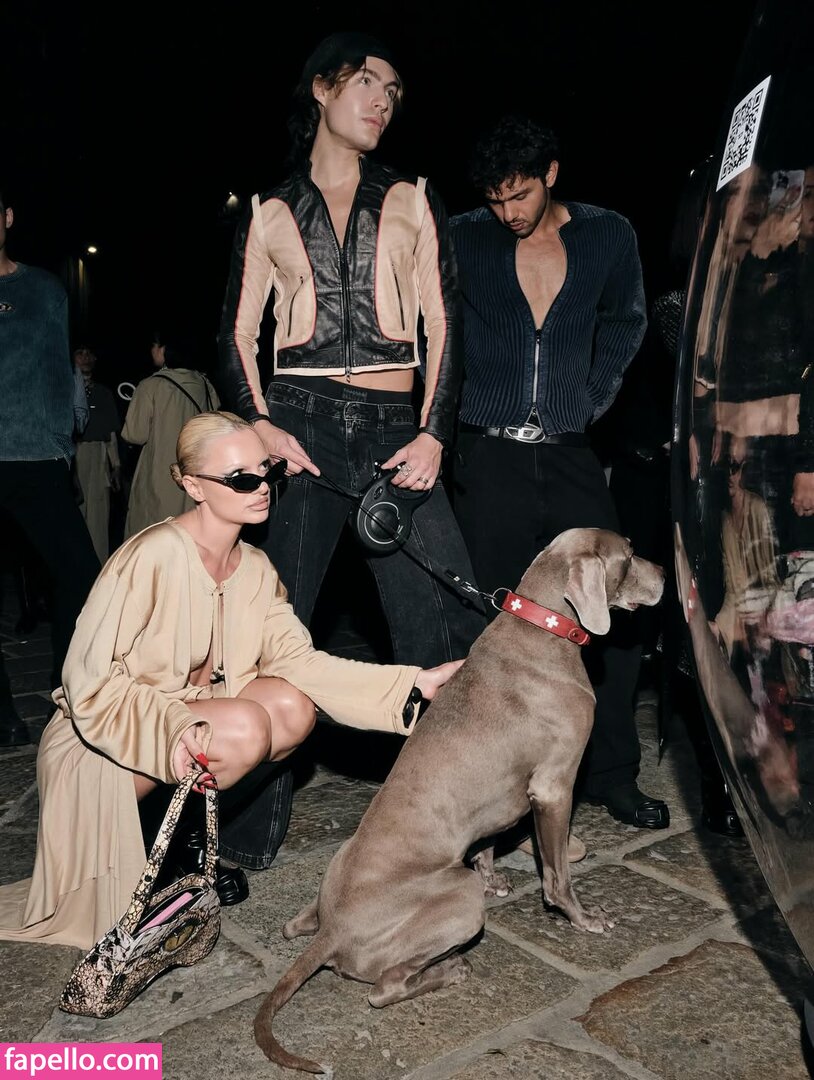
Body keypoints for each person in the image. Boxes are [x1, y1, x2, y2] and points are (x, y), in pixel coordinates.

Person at [0, 410, 461, 948]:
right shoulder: (151, 555)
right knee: (244, 725)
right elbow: (90, 683)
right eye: (241, 479)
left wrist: (413, 684)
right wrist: (172, 727)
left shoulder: (256, 568)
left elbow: (301, 663)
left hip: (197, 720)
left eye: (268, 472)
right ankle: (150, 854)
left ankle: (178, 847)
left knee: (292, 709)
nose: (262, 487)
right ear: (193, 485)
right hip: (105, 735)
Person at [217, 31, 486, 868]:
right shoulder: (266, 209)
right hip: (298, 425)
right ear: (323, 90)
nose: (382, 100)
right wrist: (260, 423)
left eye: (394, 90)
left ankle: (461, 834)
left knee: (444, 625)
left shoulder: (413, 195)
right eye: (367, 82)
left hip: (393, 429)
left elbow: (444, 321)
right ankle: (242, 840)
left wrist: (435, 432)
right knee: (268, 630)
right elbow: (235, 334)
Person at [449, 114, 669, 830]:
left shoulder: (608, 233)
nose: (507, 212)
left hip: (573, 451)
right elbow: (437, 330)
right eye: (494, 199)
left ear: (550, 174)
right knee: (489, 615)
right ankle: (492, 778)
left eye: (519, 194)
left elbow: (628, 320)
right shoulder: (463, 236)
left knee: (613, 611)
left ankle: (613, 773)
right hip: (489, 452)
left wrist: (592, 400)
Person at [0, 184, 100, 731]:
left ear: (8, 217)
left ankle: (68, 698)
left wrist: (64, 449)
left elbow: (58, 373)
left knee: (81, 575)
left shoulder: (43, 289)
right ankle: (3, 715)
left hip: (36, 457)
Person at [121, 327, 220, 538]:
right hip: (195, 472)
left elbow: (134, 434)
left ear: (165, 349)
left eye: (154, 345)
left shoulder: (151, 385)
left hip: (159, 474)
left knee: (154, 534)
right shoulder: (205, 384)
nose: (152, 350)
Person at [72, 345, 122, 563]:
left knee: (99, 517)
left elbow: (111, 434)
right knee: (76, 516)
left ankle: (100, 569)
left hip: (99, 455)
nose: (86, 357)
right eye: (80, 353)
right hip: (75, 455)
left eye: (89, 353)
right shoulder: (65, 390)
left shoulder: (104, 393)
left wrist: (116, 465)